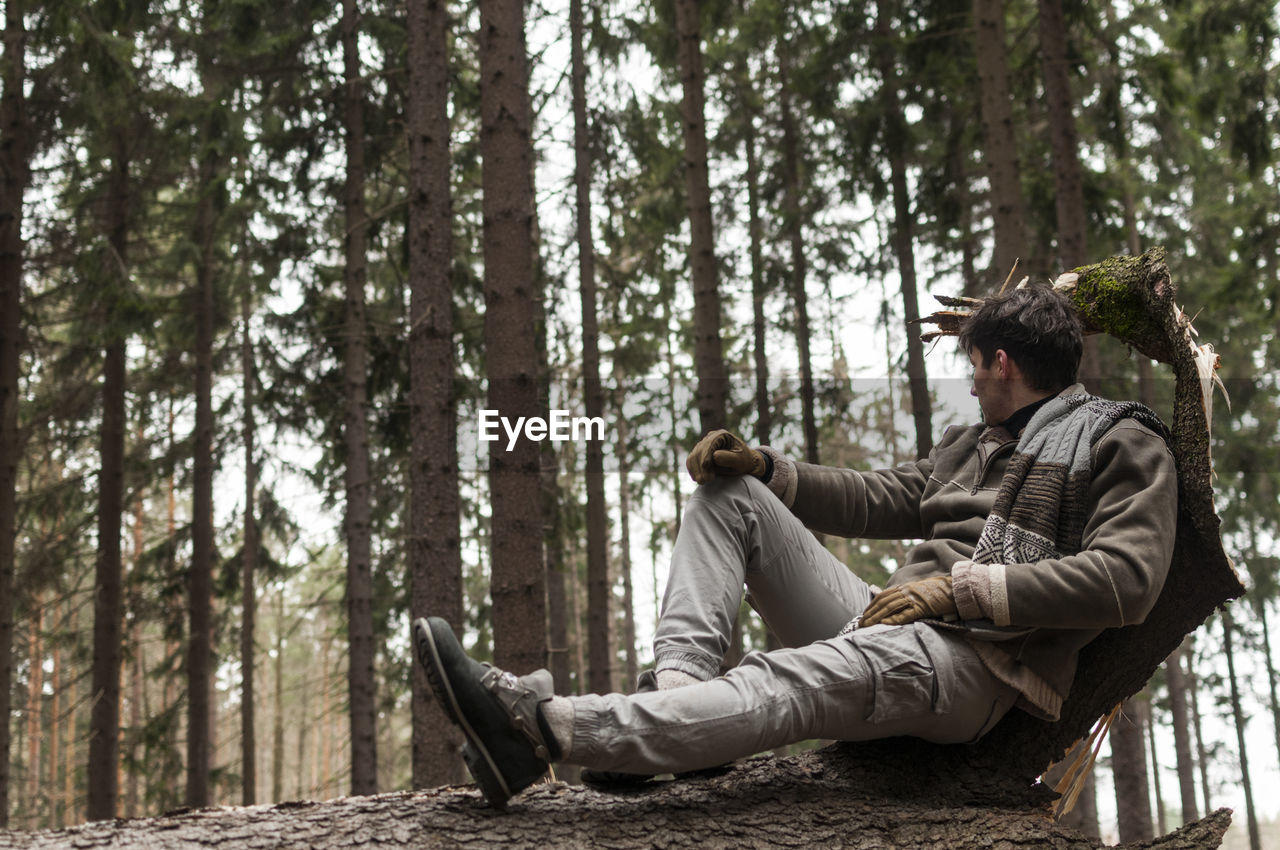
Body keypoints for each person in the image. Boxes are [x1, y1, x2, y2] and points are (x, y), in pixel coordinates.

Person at [413, 284, 1178, 808]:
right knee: (727, 498)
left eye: (972, 366)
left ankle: (544, 729)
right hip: (898, 624)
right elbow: (882, 496)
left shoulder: (1121, 438)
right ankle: (681, 698)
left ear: (1000, 363)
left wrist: (962, 590)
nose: (970, 383)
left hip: (977, 663)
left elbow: (1127, 579)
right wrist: (766, 468)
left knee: (783, 680)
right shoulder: (971, 443)